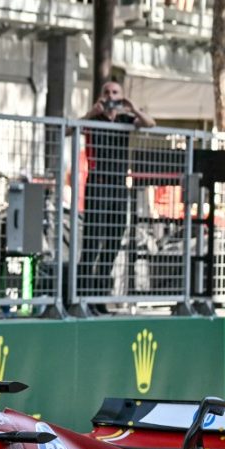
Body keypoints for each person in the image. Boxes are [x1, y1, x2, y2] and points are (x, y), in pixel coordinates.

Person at [78, 81, 155, 315]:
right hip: (98, 185)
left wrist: (131, 108)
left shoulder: (124, 120)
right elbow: (71, 129)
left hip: (119, 187)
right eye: (107, 93)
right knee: (92, 241)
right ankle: (81, 296)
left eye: (115, 93)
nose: (111, 97)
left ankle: (99, 295)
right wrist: (92, 112)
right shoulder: (94, 120)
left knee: (113, 241)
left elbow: (150, 123)